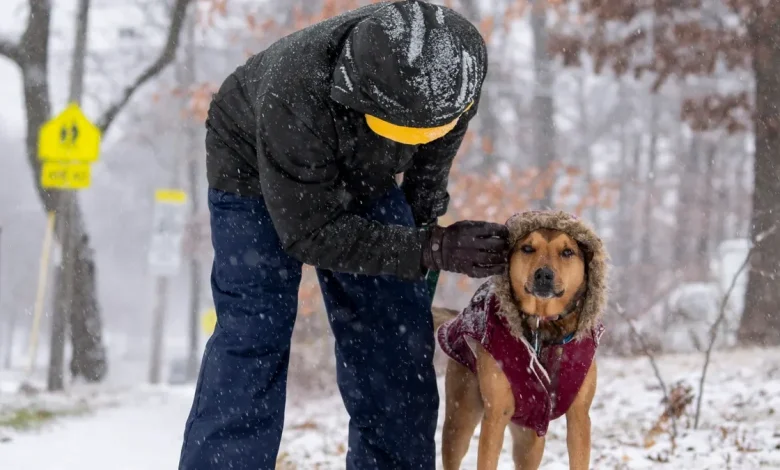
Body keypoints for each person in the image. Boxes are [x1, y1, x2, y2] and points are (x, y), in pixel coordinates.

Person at [178, 2, 509, 469]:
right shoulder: (295, 94)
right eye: (401, 132)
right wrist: (430, 248)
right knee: (255, 328)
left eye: (423, 133)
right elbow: (311, 233)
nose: (414, 143)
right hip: (253, 163)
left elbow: (427, 177)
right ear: (359, 94)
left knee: (394, 335)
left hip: (363, 170)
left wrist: (426, 245)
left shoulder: (455, 76)